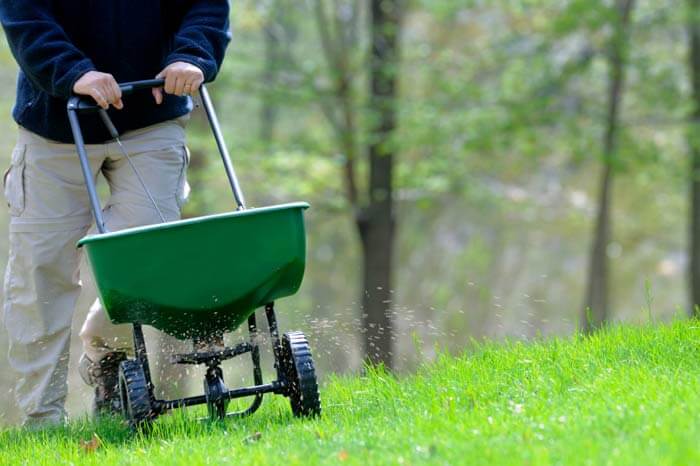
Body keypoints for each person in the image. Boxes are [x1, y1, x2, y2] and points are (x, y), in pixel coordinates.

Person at [0, 0, 231, 428]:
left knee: (146, 257)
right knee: (41, 273)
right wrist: (73, 72)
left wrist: (191, 54)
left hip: (151, 113)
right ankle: (42, 419)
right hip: (54, 121)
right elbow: (23, 13)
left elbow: (205, 5)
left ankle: (108, 360)